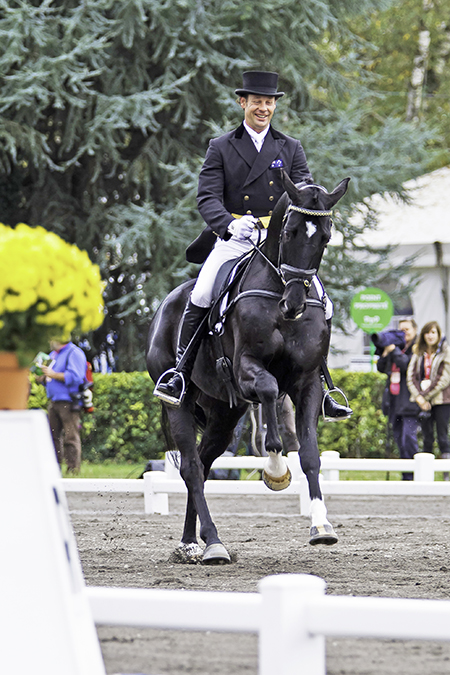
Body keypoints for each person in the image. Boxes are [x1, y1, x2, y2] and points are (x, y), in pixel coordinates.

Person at [155, 70, 351, 420]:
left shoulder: (290, 147)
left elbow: (304, 192)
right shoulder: (221, 147)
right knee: (201, 293)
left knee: (325, 303)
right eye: (257, 101)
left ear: (275, 105)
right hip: (236, 236)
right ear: (243, 103)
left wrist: (317, 201)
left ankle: (325, 385)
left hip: (280, 241)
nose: (263, 108)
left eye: (269, 102)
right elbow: (207, 197)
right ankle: (179, 374)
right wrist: (230, 224)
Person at [376, 319, 419, 480]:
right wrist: (385, 351)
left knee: (408, 438)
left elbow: (406, 366)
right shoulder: (397, 346)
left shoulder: (417, 349)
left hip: (409, 402)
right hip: (394, 401)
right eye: (401, 330)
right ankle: (406, 476)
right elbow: (381, 367)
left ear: (415, 330)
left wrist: (393, 350)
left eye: (407, 329)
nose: (404, 333)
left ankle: (415, 474)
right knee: (399, 439)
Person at [406, 321, 450, 472]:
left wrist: (425, 396)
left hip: (441, 401)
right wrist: (419, 398)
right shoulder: (418, 353)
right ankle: (426, 473)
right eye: (427, 332)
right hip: (422, 402)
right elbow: (411, 377)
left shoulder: (445, 352)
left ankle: (446, 472)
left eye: (433, 332)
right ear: (423, 335)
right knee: (427, 437)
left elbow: (443, 378)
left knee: (443, 436)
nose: (430, 336)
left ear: (438, 335)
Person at [41, 337, 87, 473]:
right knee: (52, 437)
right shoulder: (53, 355)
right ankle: (55, 468)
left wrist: (54, 374)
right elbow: (48, 377)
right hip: (54, 400)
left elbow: (76, 377)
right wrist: (42, 377)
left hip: (68, 401)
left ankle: (73, 469)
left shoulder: (74, 353)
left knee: (70, 436)